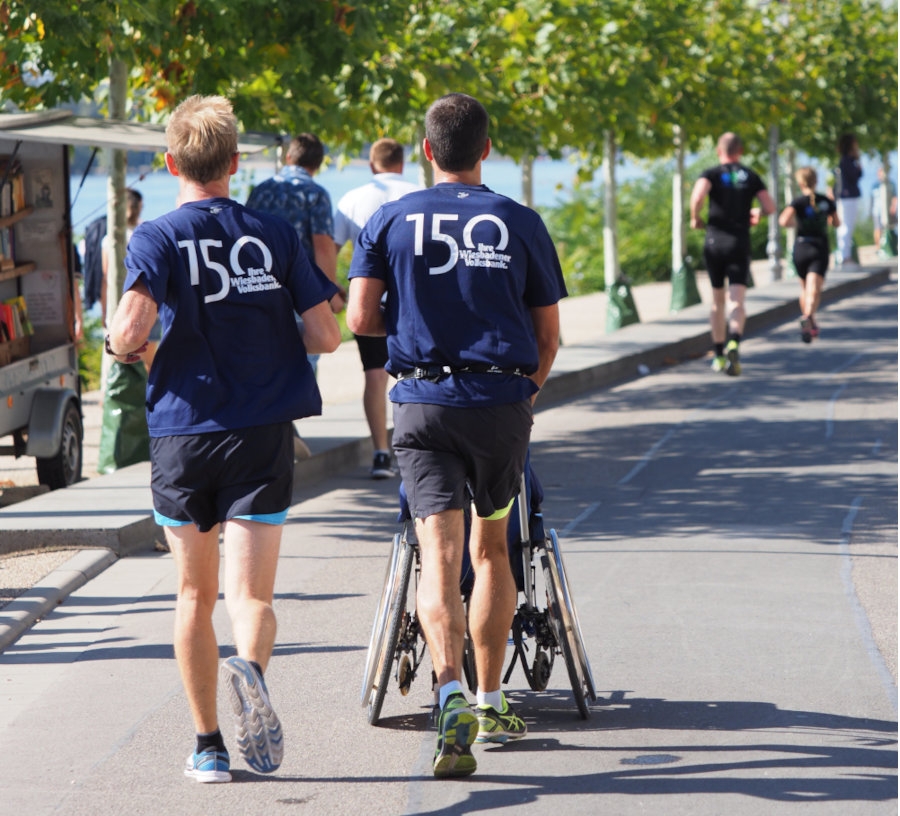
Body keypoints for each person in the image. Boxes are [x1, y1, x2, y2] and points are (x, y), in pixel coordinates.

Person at [105, 94, 341, 783]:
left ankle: (208, 746)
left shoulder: (156, 236)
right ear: (236, 163)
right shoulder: (274, 233)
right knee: (253, 599)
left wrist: (126, 351)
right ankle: (252, 672)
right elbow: (326, 333)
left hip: (185, 432)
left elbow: (128, 331)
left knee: (192, 597)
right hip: (262, 431)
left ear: (170, 161)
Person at [347, 93, 566, 778]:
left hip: (421, 405)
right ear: (486, 150)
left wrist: (411, 320)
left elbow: (359, 318)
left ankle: (448, 693)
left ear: (426, 152)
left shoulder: (390, 218)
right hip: (499, 401)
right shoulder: (519, 221)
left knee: (438, 556)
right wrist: (521, 394)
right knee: (492, 550)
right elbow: (548, 337)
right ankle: (492, 695)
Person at [334, 138, 420, 479]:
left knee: (374, 377)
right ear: (402, 162)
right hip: (413, 302)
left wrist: (333, 289)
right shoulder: (419, 192)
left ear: (372, 165)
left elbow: (329, 248)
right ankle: (414, 447)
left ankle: (381, 453)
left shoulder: (352, 198)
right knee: (416, 374)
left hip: (370, 298)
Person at [689, 132, 776, 376]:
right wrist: (757, 213)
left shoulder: (711, 174)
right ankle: (734, 341)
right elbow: (770, 207)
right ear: (740, 151)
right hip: (740, 241)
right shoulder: (750, 176)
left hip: (715, 240)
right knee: (736, 300)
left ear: (719, 150)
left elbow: (697, 196)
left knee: (717, 301)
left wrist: (695, 217)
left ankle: (717, 355)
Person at [778, 167, 839, 343]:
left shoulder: (797, 202)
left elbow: (783, 220)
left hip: (801, 247)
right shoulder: (826, 201)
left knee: (805, 288)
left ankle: (810, 322)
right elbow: (836, 223)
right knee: (815, 287)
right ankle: (808, 316)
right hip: (819, 246)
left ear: (800, 183)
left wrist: (797, 223)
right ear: (816, 181)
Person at [102, 189, 159, 370]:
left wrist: (106, 312)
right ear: (139, 207)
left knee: (121, 363)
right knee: (149, 363)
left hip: (120, 306)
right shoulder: (148, 234)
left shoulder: (110, 239)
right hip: (148, 302)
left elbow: (107, 278)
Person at [833, 133, 863, 267]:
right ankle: (845, 258)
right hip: (848, 197)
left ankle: (844, 256)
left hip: (846, 197)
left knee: (845, 227)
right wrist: (858, 165)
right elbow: (855, 176)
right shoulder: (847, 160)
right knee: (846, 227)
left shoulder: (845, 160)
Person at [871, 165, 897, 250]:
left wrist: (893, 207)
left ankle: (891, 246)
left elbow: (894, 196)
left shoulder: (891, 183)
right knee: (878, 229)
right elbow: (872, 199)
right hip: (877, 210)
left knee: (891, 227)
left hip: (888, 210)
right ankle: (878, 248)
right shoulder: (875, 185)